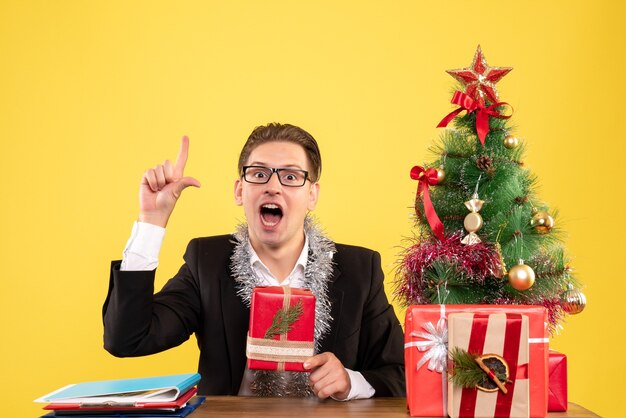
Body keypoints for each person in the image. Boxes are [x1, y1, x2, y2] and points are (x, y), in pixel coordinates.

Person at [103, 123, 405, 400]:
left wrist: (350, 382)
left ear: (312, 195)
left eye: (290, 176)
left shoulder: (358, 270)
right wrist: (151, 223)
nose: (273, 187)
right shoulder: (206, 262)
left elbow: (400, 375)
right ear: (240, 190)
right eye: (259, 174)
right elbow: (127, 339)